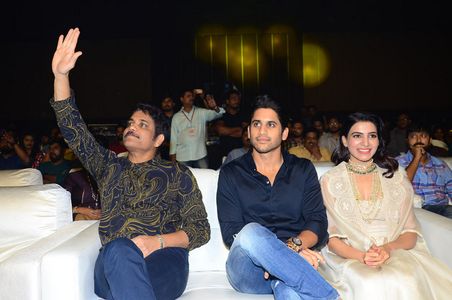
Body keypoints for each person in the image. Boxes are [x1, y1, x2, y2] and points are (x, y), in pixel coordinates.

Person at [51, 28, 210, 300]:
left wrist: (156, 242)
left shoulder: (177, 173)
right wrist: (61, 75)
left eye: (142, 124)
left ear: (159, 139)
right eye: (131, 123)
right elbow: (72, 128)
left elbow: (200, 229)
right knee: (118, 251)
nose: (132, 127)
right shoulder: (109, 166)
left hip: (164, 261)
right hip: (114, 262)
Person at [319, 112, 452, 299]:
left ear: (379, 140)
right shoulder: (330, 181)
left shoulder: (396, 177)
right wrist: (362, 256)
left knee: (405, 277)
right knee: (369, 281)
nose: (365, 143)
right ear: (345, 141)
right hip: (349, 257)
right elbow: (330, 238)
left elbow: (411, 233)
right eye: (357, 136)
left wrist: (387, 250)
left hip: (394, 252)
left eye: (372, 136)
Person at [217, 95, 339, 300]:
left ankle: (287, 274)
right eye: (256, 124)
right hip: (249, 269)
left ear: (284, 134)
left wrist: (290, 251)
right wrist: (290, 253)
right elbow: (232, 234)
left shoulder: (302, 170)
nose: (262, 131)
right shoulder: (231, 173)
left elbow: (317, 222)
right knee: (251, 232)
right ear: (248, 131)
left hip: (296, 261)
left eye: (271, 125)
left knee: (288, 290)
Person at [396, 123, 452, 218]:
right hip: (416, 209)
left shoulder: (441, 165)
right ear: (407, 141)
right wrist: (417, 158)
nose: (418, 140)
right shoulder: (397, 163)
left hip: (441, 209)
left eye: (423, 136)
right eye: (413, 136)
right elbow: (402, 186)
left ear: (430, 140)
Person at [170, 88, 225, 168]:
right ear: (182, 99)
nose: (191, 98)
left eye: (192, 96)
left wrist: (215, 107)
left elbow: (220, 113)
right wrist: (173, 159)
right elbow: (173, 139)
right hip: (182, 157)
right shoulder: (176, 117)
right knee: (185, 180)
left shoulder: (201, 112)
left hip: (200, 155)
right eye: (188, 96)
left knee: (204, 179)